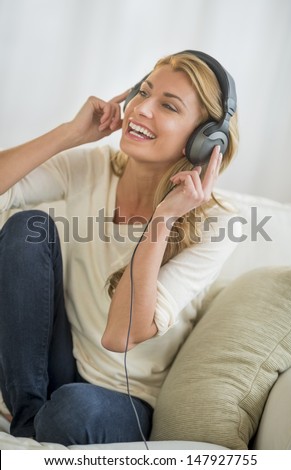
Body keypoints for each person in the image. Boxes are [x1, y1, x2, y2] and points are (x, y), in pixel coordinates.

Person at [0, 50, 240, 446]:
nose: (141, 109)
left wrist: (164, 218)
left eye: (167, 105)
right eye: (142, 93)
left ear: (203, 141)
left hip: (120, 401)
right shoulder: (94, 166)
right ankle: (29, 424)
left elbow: (119, 336)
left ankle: (39, 427)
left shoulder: (219, 222)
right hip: (56, 369)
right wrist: (69, 134)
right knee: (28, 228)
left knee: (73, 410)